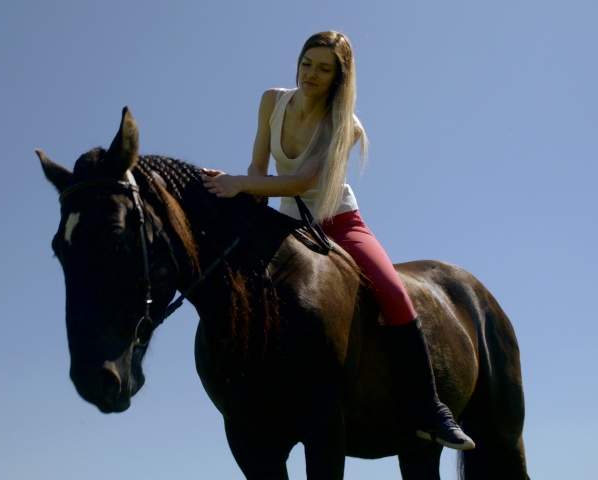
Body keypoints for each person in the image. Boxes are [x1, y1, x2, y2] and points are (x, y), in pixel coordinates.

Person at [201, 31, 475, 451]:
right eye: (306, 63)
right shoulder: (272, 101)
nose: (311, 74)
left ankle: (430, 409)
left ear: (339, 77)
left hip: (339, 221)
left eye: (323, 69)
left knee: (393, 291)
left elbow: (302, 181)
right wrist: (242, 192)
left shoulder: (346, 125)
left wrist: (239, 183)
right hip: (285, 222)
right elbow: (258, 165)